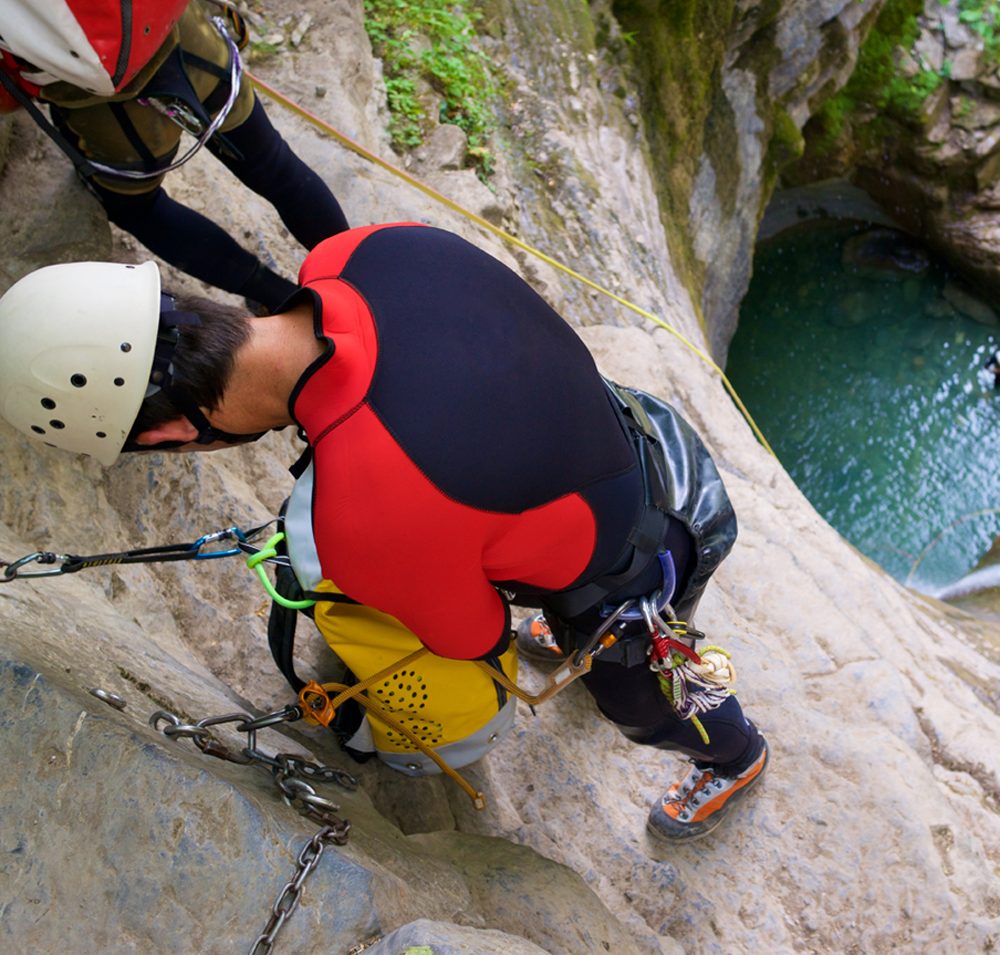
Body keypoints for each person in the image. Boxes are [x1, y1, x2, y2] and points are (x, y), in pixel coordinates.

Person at [0, 222, 768, 841]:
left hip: (643, 552)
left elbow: (473, 636)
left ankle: (735, 753)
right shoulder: (365, 249)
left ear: (171, 438)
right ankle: (574, 602)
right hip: (633, 430)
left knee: (641, 697)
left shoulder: (363, 516)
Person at [0, 0, 349, 311]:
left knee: (139, 209)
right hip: (192, 41)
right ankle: (355, 275)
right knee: (271, 162)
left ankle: (277, 296)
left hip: (108, 109)